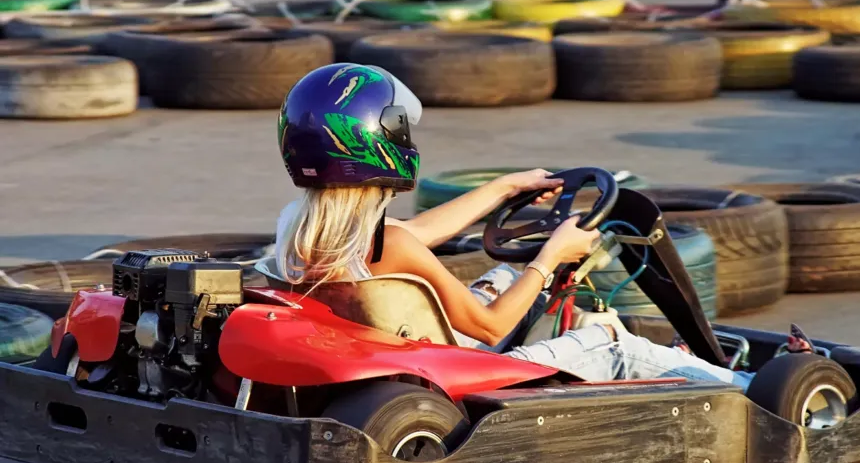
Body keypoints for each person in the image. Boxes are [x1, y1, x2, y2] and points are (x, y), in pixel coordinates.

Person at [272, 63, 798, 390]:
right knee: (610, 340)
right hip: (459, 371)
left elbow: (417, 234)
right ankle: (755, 384)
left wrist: (503, 188)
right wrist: (552, 256)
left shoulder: (302, 227)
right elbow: (491, 328)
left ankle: (655, 359)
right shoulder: (391, 245)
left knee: (505, 276)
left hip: (394, 354)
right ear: (377, 141)